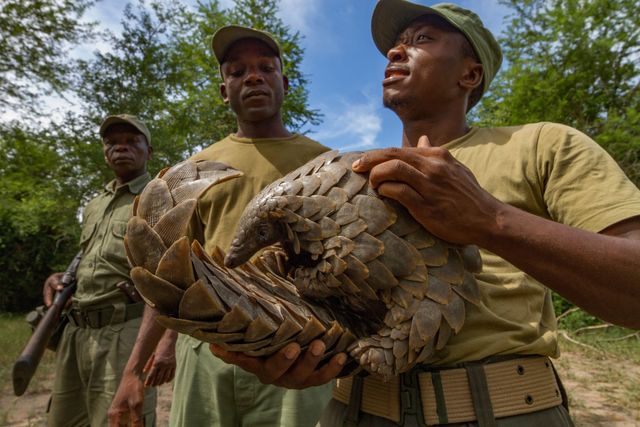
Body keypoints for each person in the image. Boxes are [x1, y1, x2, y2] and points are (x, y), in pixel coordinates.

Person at [211, 1, 640, 426]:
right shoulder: (346, 173)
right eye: (395, 45)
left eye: (421, 39)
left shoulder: (541, 145)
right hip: (352, 408)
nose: (395, 52)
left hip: (502, 409)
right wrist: (294, 349)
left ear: (469, 74)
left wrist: (490, 220)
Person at [109, 26, 335, 427]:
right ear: (223, 91)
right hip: (208, 349)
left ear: (283, 83)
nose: (252, 76)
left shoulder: (326, 164)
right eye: (236, 71)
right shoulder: (191, 172)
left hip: (297, 351)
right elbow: (163, 276)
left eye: (265, 67)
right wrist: (134, 370)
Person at [44, 114, 177, 427]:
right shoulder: (94, 204)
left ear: (149, 151)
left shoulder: (158, 198)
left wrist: (167, 342)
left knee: (121, 418)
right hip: (76, 332)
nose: (121, 148)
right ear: (104, 151)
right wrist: (60, 279)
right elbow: (89, 257)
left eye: (132, 142)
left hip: (125, 333)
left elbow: (171, 278)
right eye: (112, 142)